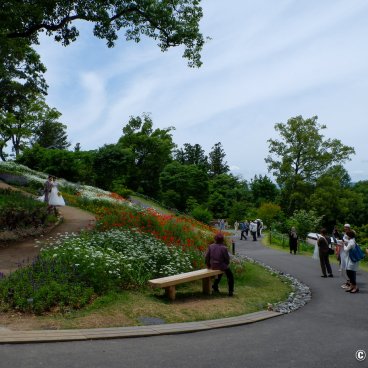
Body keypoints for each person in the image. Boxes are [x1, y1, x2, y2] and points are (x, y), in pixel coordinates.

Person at [341, 224, 355, 289]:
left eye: (346, 227)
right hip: (348, 255)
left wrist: (344, 244)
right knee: (348, 270)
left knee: (350, 271)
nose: (345, 228)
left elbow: (346, 248)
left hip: (349, 256)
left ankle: (352, 285)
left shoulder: (351, 240)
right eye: (345, 227)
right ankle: (350, 284)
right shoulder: (350, 239)